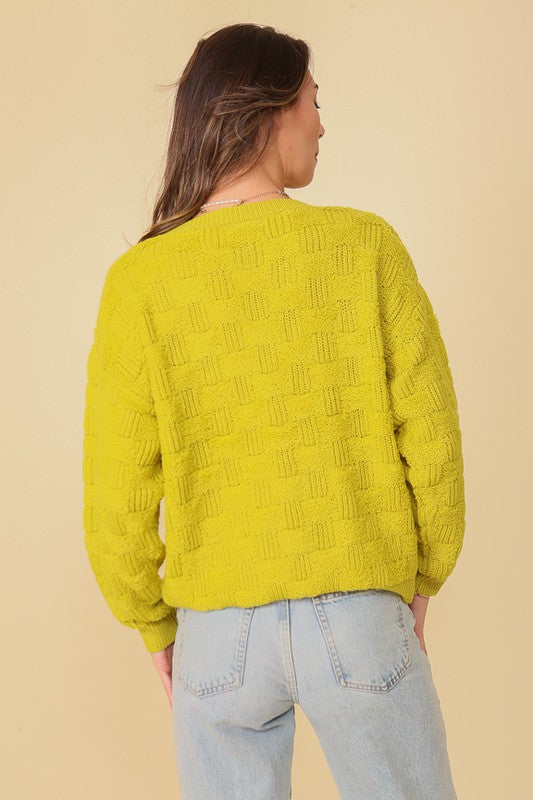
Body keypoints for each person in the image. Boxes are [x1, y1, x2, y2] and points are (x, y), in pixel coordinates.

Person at [82, 22, 466, 800]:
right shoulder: (365, 248)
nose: (321, 124)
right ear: (268, 111)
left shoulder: (140, 282)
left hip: (216, 634)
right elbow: (431, 441)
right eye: (312, 102)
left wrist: (152, 623)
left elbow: (115, 496)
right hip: (359, 608)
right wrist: (420, 580)